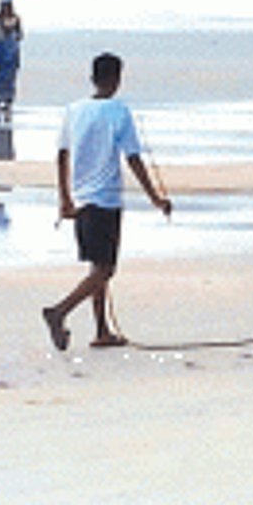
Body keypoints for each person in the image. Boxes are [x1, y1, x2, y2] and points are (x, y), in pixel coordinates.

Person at [42, 53, 171, 352]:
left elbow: (62, 155)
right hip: (107, 200)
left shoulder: (73, 110)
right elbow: (134, 158)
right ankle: (59, 312)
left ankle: (102, 330)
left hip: (81, 198)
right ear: (116, 79)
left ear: (93, 78)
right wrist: (155, 198)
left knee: (96, 266)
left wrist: (64, 198)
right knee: (105, 270)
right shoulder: (118, 112)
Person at [0, 0, 23, 121]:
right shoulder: (8, 19)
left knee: (3, 74)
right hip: (7, 50)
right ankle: (4, 99)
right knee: (5, 74)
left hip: (4, 50)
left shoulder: (5, 19)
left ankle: (2, 99)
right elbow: (20, 35)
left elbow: (19, 34)